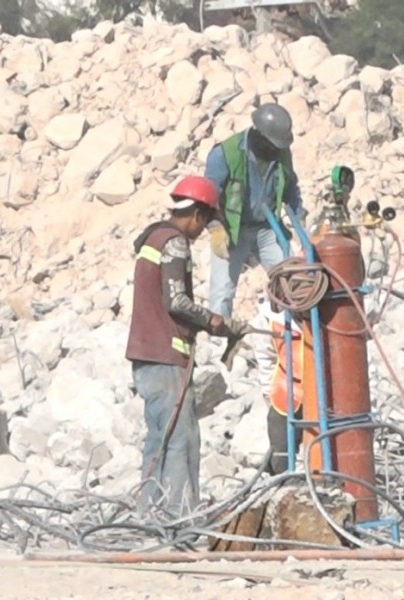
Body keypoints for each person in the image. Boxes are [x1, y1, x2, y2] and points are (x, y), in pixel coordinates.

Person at [125, 175, 248, 517]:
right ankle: (179, 520)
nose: (203, 229)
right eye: (206, 221)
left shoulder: (153, 236)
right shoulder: (175, 243)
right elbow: (176, 301)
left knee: (159, 441)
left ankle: (150, 516)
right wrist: (213, 320)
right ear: (196, 214)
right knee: (181, 440)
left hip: (147, 354)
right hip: (166, 356)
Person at [204, 102, 306, 318]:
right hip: (232, 229)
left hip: (267, 229)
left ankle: (301, 331)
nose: (275, 150)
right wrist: (215, 227)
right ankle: (219, 340)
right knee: (222, 291)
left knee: (292, 281)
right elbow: (209, 195)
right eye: (272, 145)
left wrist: (301, 224)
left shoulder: (281, 154)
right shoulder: (225, 154)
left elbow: (290, 189)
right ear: (258, 134)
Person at [250, 297, 305, 475]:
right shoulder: (270, 319)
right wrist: (268, 393)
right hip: (287, 396)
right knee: (281, 454)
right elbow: (266, 359)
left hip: (327, 399)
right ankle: (282, 481)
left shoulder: (329, 313)